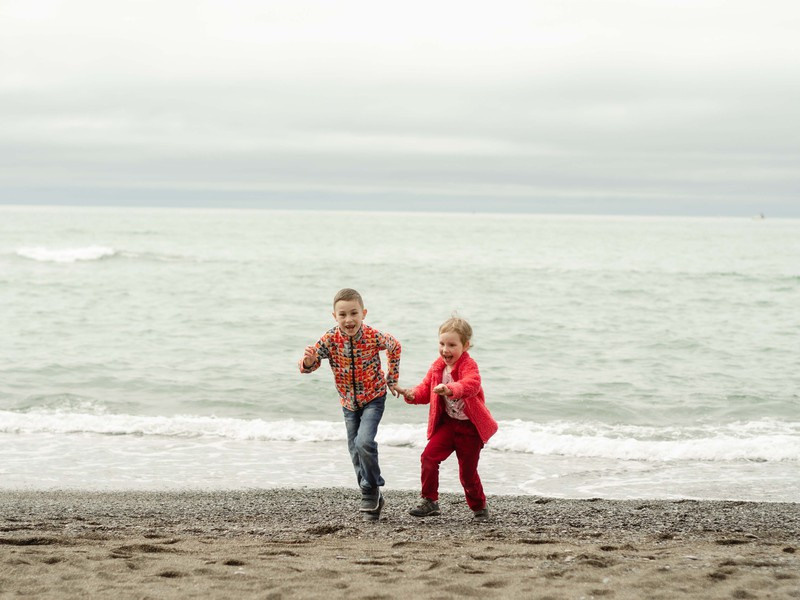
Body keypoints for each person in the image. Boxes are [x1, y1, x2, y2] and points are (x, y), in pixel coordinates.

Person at [299, 288, 401, 521]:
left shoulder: (373, 336)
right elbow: (309, 365)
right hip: (348, 403)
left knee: (364, 442)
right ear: (334, 316)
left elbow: (394, 346)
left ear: (363, 313)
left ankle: (370, 489)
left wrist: (392, 378)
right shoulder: (330, 339)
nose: (349, 319)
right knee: (355, 450)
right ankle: (372, 497)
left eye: (354, 313)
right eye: (342, 314)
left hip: (374, 398)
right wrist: (308, 361)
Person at [394, 316, 497, 521]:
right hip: (448, 425)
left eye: (452, 345)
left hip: (470, 428)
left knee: (467, 475)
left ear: (465, 346)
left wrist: (450, 389)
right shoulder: (437, 367)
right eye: (442, 344)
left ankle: (479, 507)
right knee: (428, 457)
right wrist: (411, 394)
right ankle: (429, 501)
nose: (445, 350)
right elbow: (426, 390)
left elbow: (472, 384)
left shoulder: (468, 365)